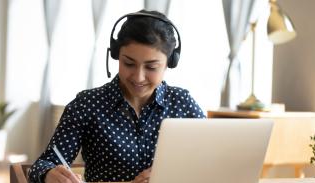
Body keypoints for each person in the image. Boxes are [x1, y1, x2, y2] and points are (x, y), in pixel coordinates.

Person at [28, 9, 205, 183]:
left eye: (151, 67)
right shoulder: (87, 104)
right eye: (128, 63)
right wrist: (49, 174)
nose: (138, 77)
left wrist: (170, 176)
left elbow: (210, 158)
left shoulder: (182, 103)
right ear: (115, 56)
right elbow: (43, 165)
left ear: (170, 63)